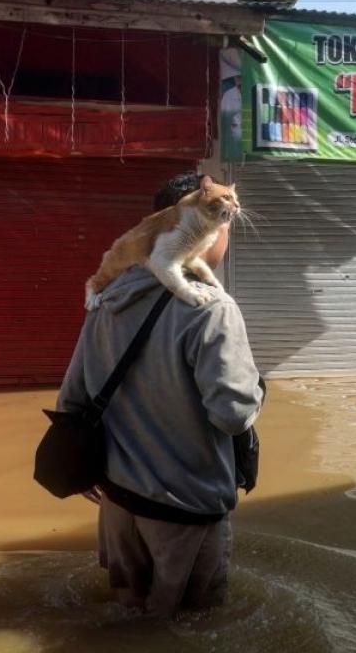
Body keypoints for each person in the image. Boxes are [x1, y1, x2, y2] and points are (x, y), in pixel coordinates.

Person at [56, 172, 263, 617]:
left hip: (117, 502)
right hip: (184, 508)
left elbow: (72, 397)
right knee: (191, 625)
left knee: (127, 615)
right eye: (223, 220)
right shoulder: (212, 308)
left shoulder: (106, 298)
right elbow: (232, 414)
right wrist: (255, 389)